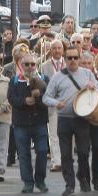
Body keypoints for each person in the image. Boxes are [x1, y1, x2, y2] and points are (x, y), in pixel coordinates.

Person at [43, 45, 98, 196]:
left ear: (79, 59)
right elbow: (46, 97)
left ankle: (83, 177)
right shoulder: (57, 76)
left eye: (75, 57)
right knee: (66, 154)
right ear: (65, 59)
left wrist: (93, 86)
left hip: (82, 118)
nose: (73, 60)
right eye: (70, 58)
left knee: (83, 152)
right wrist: (56, 103)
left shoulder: (87, 74)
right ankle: (69, 184)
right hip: (64, 119)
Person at [8, 53, 50, 193]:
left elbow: (49, 99)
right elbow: (11, 98)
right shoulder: (14, 80)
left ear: (36, 65)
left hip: (40, 122)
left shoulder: (44, 79)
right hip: (21, 123)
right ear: (21, 65)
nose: (30, 67)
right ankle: (27, 182)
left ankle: (40, 180)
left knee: (43, 151)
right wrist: (24, 101)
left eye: (33, 64)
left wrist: (39, 98)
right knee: (24, 154)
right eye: (27, 64)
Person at [80, 51, 98, 190]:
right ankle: (84, 177)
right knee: (83, 151)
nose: (86, 66)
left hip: (96, 118)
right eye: (83, 63)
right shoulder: (75, 77)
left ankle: (96, 177)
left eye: (88, 63)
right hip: (81, 119)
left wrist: (96, 88)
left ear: (93, 64)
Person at [40, 40, 66, 172]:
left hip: (67, 104)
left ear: (62, 50)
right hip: (52, 104)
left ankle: (66, 160)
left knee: (67, 134)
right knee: (54, 134)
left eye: (59, 48)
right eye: (54, 48)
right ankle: (57, 161)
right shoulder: (44, 66)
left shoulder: (68, 64)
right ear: (50, 50)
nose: (57, 50)